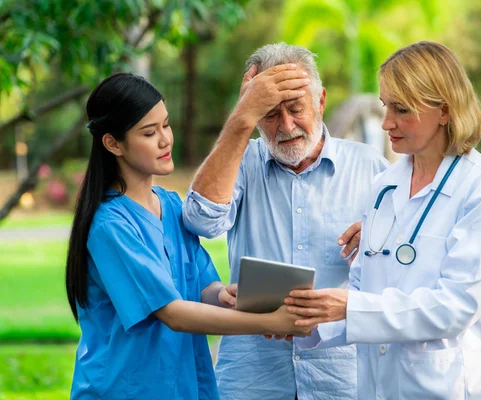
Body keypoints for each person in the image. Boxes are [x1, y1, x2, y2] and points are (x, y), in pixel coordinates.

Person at [286, 41, 481, 399]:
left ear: (444, 110)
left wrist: (350, 307)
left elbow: (456, 306)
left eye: (402, 109)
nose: (387, 123)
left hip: (452, 387)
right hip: (381, 385)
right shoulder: (384, 187)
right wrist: (313, 319)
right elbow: (365, 288)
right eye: (385, 106)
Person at [65, 73, 311, 400]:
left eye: (166, 125)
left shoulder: (170, 204)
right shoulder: (111, 224)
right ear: (113, 143)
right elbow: (172, 313)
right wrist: (269, 322)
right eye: (150, 132)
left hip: (184, 386)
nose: (166, 140)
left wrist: (227, 295)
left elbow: (202, 287)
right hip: (125, 389)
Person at [182, 43, 389, 399]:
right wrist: (240, 119)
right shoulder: (240, 161)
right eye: (269, 113)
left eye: (295, 109)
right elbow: (201, 221)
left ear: (321, 101)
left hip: (342, 374)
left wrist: (380, 237)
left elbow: (402, 263)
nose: (286, 126)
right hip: (252, 373)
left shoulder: (371, 166)